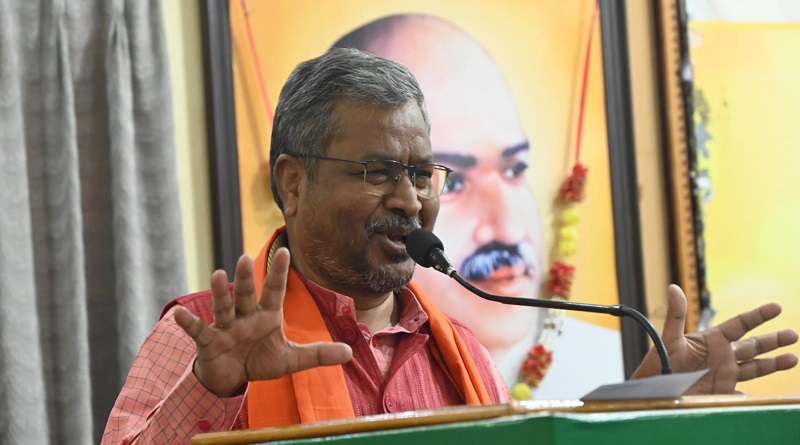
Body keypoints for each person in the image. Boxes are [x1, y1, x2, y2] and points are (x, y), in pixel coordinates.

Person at [102, 47, 798, 444]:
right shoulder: (204, 334)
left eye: (421, 174)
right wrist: (212, 387)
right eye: (379, 172)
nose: (410, 200)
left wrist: (638, 409)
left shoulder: (455, 351)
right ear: (294, 181)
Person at [332, 14, 624, 397]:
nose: (508, 228)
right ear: (295, 185)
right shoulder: (260, 351)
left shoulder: (604, 358)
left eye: (514, 169)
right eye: (453, 183)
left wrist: (656, 401)